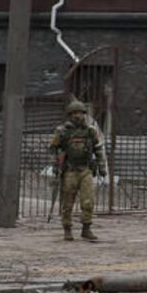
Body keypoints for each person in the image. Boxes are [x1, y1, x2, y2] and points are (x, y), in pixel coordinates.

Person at [48, 99, 106, 241]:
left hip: (85, 169)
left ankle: (86, 228)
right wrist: (55, 164)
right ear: (70, 115)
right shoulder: (62, 131)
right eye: (74, 113)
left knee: (88, 201)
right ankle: (67, 229)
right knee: (67, 202)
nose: (77, 116)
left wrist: (101, 166)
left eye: (80, 113)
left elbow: (98, 149)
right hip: (70, 170)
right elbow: (53, 148)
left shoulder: (90, 131)